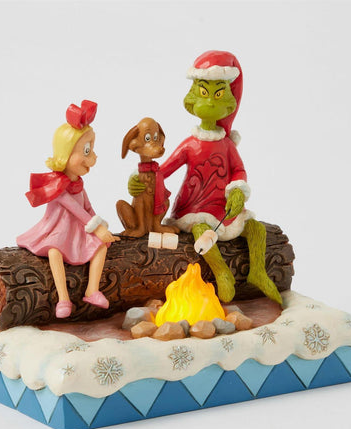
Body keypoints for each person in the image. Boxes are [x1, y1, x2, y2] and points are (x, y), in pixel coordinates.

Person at [130, 51, 282, 304]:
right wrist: (140, 179)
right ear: (192, 99)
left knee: (256, 228)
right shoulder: (190, 144)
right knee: (201, 230)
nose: (210, 101)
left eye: (218, 94)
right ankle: (222, 272)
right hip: (196, 207)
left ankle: (258, 271)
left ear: (229, 101)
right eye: (204, 93)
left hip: (224, 206)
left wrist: (237, 190)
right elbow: (163, 170)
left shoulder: (227, 145)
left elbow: (238, 170)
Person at [17, 100, 119, 318]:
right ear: (66, 154)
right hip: (58, 231)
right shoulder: (59, 186)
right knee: (54, 252)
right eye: (86, 150)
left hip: (79, 231)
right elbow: (76, 210)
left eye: (91, 149)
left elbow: (87, 207)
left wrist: (100, 226)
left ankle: (92, 290)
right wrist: (96, 227)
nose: (93, 156)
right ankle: (63, 298)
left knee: (101, 247)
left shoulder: (79, 184)